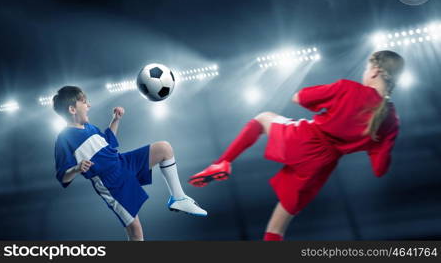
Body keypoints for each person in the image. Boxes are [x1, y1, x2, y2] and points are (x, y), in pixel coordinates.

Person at [189, 50, 404, 241]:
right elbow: (379, 169)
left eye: (367, 68)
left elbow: (299, 98)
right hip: (322, 167)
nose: (365, 73)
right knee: (279, 224)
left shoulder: (348, 89)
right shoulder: (391, 120)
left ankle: (222, 163)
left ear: (375, 70)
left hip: (306, 139)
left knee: (264, 118)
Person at [53, 86, 207, 241]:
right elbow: (62, 177)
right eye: (85, 103)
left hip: (123, 162)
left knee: (164, 148)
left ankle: (178, 198)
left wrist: (116, 120)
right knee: (135, 231)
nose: (89, 106)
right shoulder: (64, 139)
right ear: (72, 109)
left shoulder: (90, 127)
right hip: (111, 183)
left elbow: (109, 143)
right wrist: (76, 168)